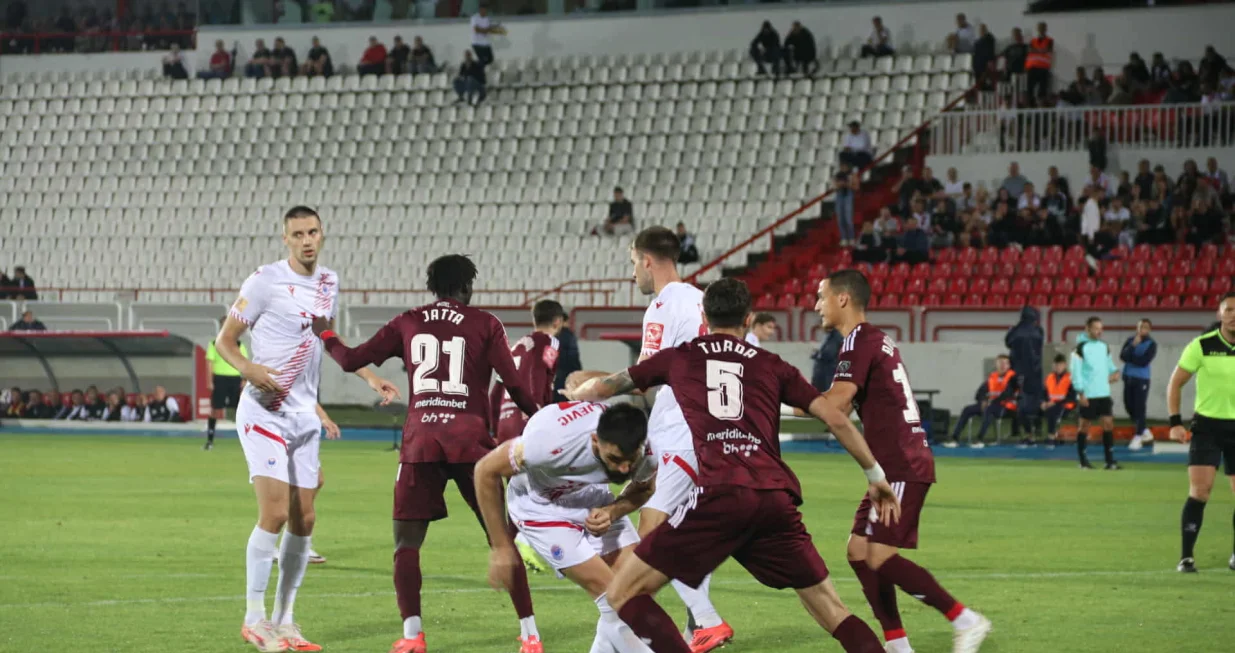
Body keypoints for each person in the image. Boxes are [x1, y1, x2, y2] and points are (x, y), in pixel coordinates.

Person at [567, 277, 898, 653]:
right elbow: (835, 418)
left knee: (622, 592)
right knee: (831, 608)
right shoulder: (773, 365)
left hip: (719, 495)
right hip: (774, 500)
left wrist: (571, 396)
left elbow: (608, 386)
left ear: (704, 317)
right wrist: (876, 475)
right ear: (749, 319)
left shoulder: (680, 356)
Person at [312, 254, 543, 653]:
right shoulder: (486, 323)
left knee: (406, 545)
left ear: (432, 287)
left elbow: (351, 360)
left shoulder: (408, 320)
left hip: (421, 441)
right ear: (467, 287)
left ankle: (412, 636)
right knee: (501, 539)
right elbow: (517, 387)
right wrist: (543, 421)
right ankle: (530, 635)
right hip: (471, 443)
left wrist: (326, 334)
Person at [214, 206, 398, 653]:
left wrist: (367, 375)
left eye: (312, 232)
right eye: (297, 234)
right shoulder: (263, 281)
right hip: (263, 411)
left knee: (305, 519)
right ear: (285, 238)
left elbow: (324, 338)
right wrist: (248, 367)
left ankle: (285, 621)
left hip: (301, 416)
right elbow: (225, 341)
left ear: (322, 234)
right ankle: (254, 618)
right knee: (275, 513)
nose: (306, 240)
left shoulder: (328, 282)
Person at [565, 227, 733, 650]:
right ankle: (694, 624)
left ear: (646, 260)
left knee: (652, 537)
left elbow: (641, 378)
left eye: (631, 264)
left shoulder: (662, 305)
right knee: (676, 531)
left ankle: (707, 620)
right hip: (708, 433)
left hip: (680, 430)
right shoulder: (701, 300)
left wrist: (590, 387)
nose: (632, 275)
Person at [812, 270, 992, 653]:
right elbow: (837, 400)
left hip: (899, 463)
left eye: (821, 296)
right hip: (894, 463)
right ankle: (897, 645)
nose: (816, 305)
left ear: (842, 299)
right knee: (859, 551)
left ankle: (965, 619)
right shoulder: (875, 339)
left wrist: (776, 404)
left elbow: (839, 402)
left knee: (878, 554)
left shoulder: (858, 339)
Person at [476, 402, 655, 653]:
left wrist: (613, 511)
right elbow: (485, 471)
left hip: (593, 498)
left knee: (638, 591)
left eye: (630, 461)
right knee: (615, 598)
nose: (624, 469)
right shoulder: (546, 444)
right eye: (615, 459)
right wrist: (501, 547)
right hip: (541, 509)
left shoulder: (646, 450)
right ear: (595, 441)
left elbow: (644, 488)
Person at [1168, 293, 1235, 573]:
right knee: (1200, 492)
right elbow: (1176, 383)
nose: (1233, 314)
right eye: (1229, 309)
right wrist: (1175, 422)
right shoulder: (1202, 346)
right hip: (1207, 427)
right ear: (1219, 314)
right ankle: (1186, 557)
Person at [489, 300, 566, 445]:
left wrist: (493, 428)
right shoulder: (549, 341)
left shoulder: (515, 348)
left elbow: (496, 391)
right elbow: (538, 370)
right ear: (557, 321)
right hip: (528, 420)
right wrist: (535, 409)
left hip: (504, 423)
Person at [1071, 317, 1122, 470]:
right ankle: (1083, 460)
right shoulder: (1080, 349)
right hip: (1088, 394)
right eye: (1096, 328)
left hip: (1103, 393)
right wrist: (1080, 393)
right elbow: (1076, 372)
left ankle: (1109, 461)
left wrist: (1115, 374)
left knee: (1108, 424)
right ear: (1088, 329)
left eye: (1101, 328)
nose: (1100, 331)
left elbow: (1111, 367)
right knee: (1084, 427)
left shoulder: (1104, 347)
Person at [943, 355, 1020, 449]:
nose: (1002, 365)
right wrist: (983, 400)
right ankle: (954, 438)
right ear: (996, 364)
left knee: (989, 409)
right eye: (1000, 363)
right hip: (990, 405)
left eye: (1005, 363)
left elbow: (1008, 394)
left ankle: (979, 439)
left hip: (1006, 407)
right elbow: (980, 392)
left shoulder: (1013, 377)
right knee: (967, 409)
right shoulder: (992, 377)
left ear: (1009, 365)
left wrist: (991, 402)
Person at [205, 319, 250, 450]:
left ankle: (246, 440)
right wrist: (209, 381)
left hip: (235, 378)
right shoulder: (214, 344)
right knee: (215, 409)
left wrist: (244, 379)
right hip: (219, 378)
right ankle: (210, 440)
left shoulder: (239, 344)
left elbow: (244, 362)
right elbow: (210, 363)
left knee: (240, 410)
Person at [1006, 307, 1044, 445]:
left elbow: (1008, 342)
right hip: (1036, 373)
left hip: (1019, 373)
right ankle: (1037, 430)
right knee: (1036, 403)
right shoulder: (1039, 331)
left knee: (1021, 405)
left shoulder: (1015, 331)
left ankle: (1028, 433)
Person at [1121, 319, 1157, 451]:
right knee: (1129, 406)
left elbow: (1144, 361)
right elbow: (1123, 356)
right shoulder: (1131, 340)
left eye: (1146, 327)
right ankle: (1144, 431)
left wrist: (1131, 357)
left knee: (1139, 406)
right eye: (1141, 327)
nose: (1143, 329)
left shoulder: (1151, 344)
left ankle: (1138, 436)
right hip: (1128, 377)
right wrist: (1132, 347)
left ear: (1149, 329)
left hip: (1141, 379)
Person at [1041, 355, 1077, 445]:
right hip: (1051, 404)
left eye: (1060, 365)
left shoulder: (1070, 378)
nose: (1057, 367)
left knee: (1053, 410)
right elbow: (1044, 393)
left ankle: (1051, 437)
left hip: (1066, 405)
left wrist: (1054, 403)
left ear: (1064, 365)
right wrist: (1043, 402)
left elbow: (1071, 397)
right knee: (1032, 408)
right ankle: (1031, 436)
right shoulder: (1049, 377)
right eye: (1056, 365)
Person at [1025, 22, 1054, 104]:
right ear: (1038, 29)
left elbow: (1048, 50)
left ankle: (1041, 106)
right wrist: (1041, 50)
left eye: (1043, 28)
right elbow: (1030, 50)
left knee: (1042, 90)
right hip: (1032, 68)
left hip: (1043, 68)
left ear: (1045, 29)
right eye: (1040, 28)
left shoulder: (1049, 40)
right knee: (1030, 89)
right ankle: (1031, 105)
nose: (1041, 29)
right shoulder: (1033, 40)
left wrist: (1036, 50)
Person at [811, 325, 843, 392]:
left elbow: (829, 353)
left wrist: (818, 354)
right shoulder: (830, 336)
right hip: (826, 373)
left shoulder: (835, 336)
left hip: (827, 373)